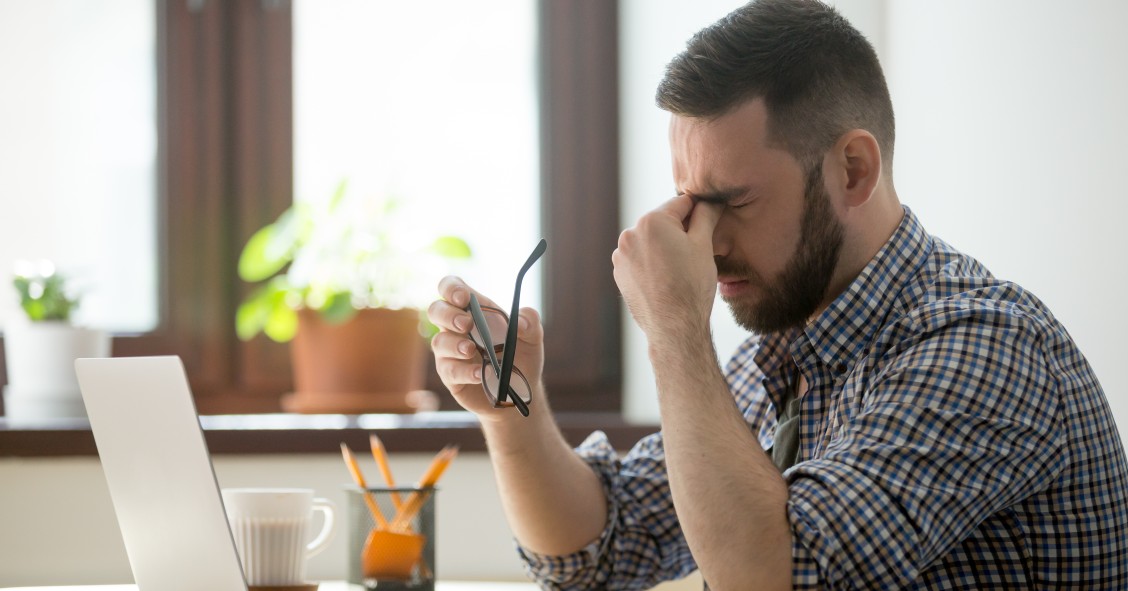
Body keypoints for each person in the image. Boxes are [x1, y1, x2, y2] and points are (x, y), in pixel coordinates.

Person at [427, 0, 1128, 588]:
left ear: (853, 169)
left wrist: (675, 327)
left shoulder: (984, 346)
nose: (705, 239)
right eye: (689, 205)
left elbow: (779, 573)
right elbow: (601, 546)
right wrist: (511, 411)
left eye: (732, 201)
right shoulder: (787, 348)